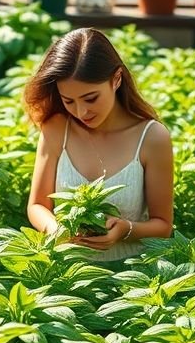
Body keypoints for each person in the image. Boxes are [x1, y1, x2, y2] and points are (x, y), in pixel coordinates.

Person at [25, 27, 174, 263]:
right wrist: (57, 231)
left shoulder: (152, 137)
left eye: (90, 98)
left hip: (133, 278)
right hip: (67, 274)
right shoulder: (56, 128)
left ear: (116, 80)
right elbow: (36, 205)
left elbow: (163, 226)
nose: (81, 112)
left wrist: (124, 229)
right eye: (68, 101)